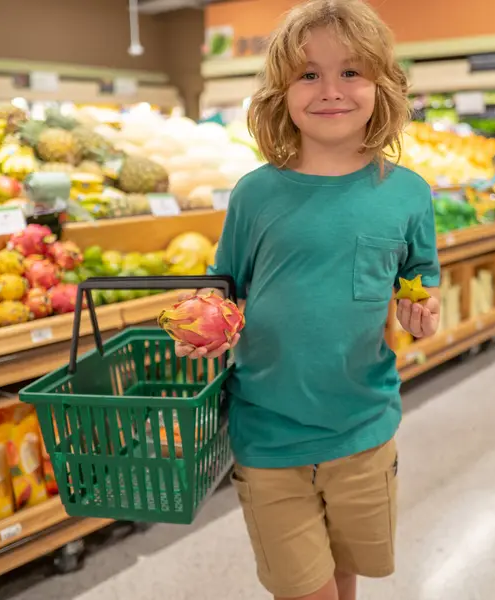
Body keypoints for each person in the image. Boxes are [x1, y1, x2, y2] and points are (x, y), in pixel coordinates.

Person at [176, 1, 441, 598]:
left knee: (343, 572)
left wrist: (420, 307)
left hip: (364, 430)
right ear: (280, 92)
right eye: (307, 74)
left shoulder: (406, 194)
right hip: (269, 435)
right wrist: (204, 322)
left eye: (350, 72)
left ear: (383, 85)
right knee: (305, 588)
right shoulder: (255, 194)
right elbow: (225, 285)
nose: (330, 91)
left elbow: (419, 272)